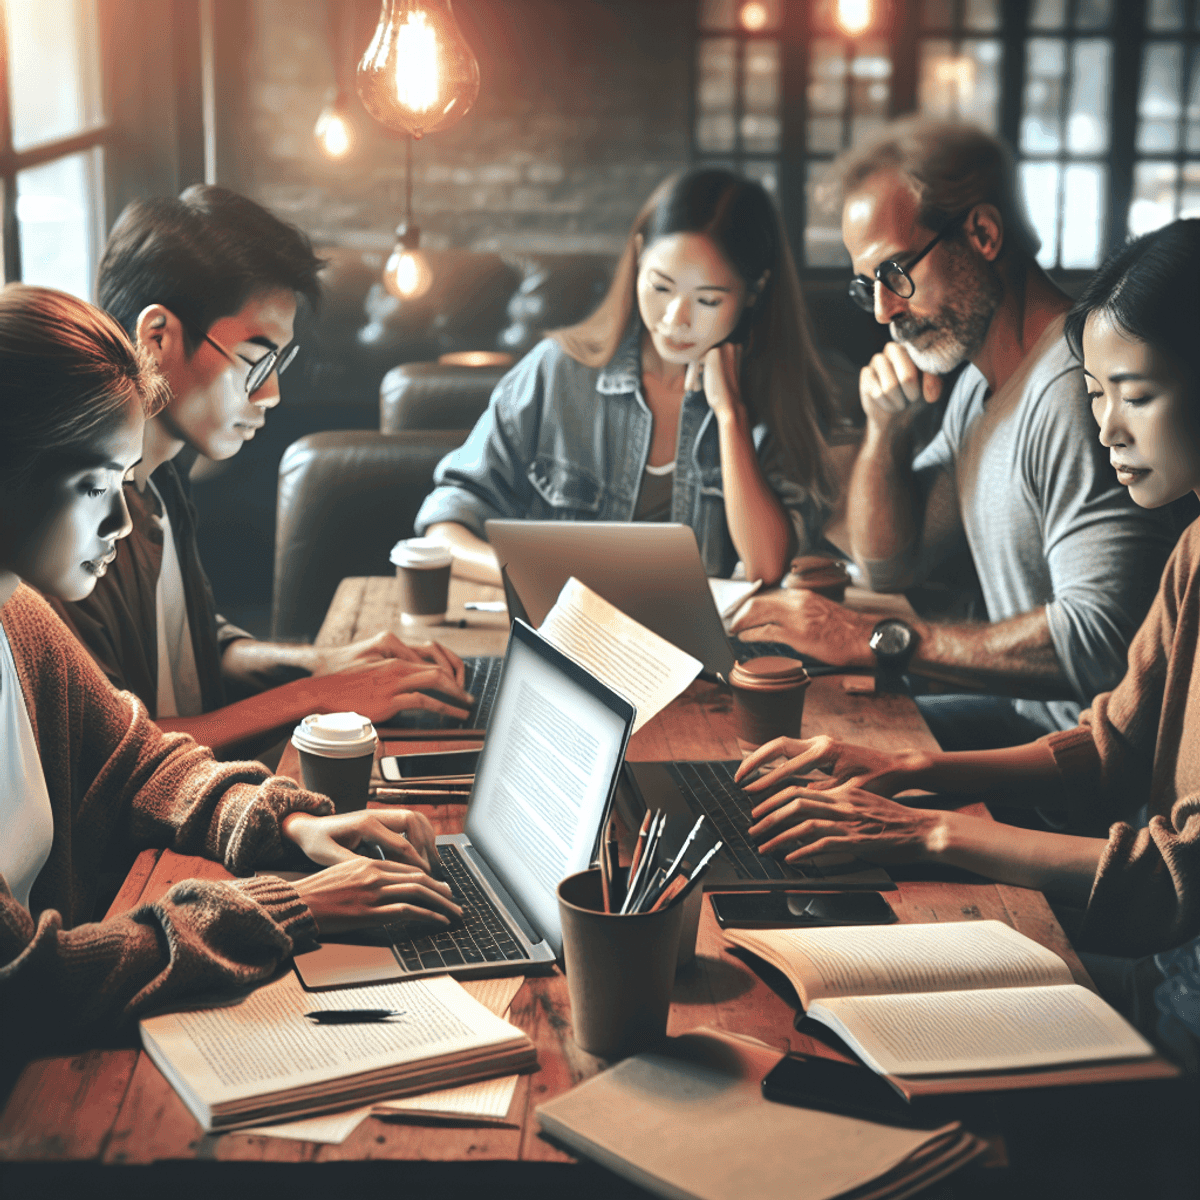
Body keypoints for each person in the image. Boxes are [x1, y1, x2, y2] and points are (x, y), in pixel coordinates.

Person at [734, 220, 1200, 1059]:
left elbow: (1176, 882)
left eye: (1135, 394)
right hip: (1167, 966)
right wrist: (909, 773)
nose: (1108, 430)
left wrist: (927, 831)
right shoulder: (1195, 544)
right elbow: (1112, 742)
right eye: (1094, 394)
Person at [0, 285, 460, 1058]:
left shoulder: (19, 615)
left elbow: (137, 759)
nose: (118, 522)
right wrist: (289, 907)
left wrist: (290, 823)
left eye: (123, 482)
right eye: (93, 487)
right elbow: (29, 985)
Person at [731, 119, 1179, 752]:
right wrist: (887, 430)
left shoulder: (1076, 391)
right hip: (1023, 729)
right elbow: (891, 561)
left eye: (895, 272)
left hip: (1079, 774)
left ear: (983, 233)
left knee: (801, 757)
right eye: (869, 287)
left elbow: (1104, 642)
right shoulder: (975, 382)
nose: (884, 310)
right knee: (789, 744)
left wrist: (869, 638)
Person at [50, 185, 472, 758]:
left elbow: (199, 653)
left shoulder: (163, 477)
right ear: (157, 338)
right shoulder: (76, 523)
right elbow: (117, 752)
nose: (271, 394)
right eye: (255, 362)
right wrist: (318, 694)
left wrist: (326, 664)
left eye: (279, 362)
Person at [414, 167, 837, 587]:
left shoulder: (779, 395)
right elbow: (446, 525)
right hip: (565, 636)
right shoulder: (557, 372)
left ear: (755, 291)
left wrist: (732, 417)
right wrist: (537, 582)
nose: (676, 320)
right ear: (637, 258)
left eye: (707, 299)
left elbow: (766, 565)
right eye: (660, 286)